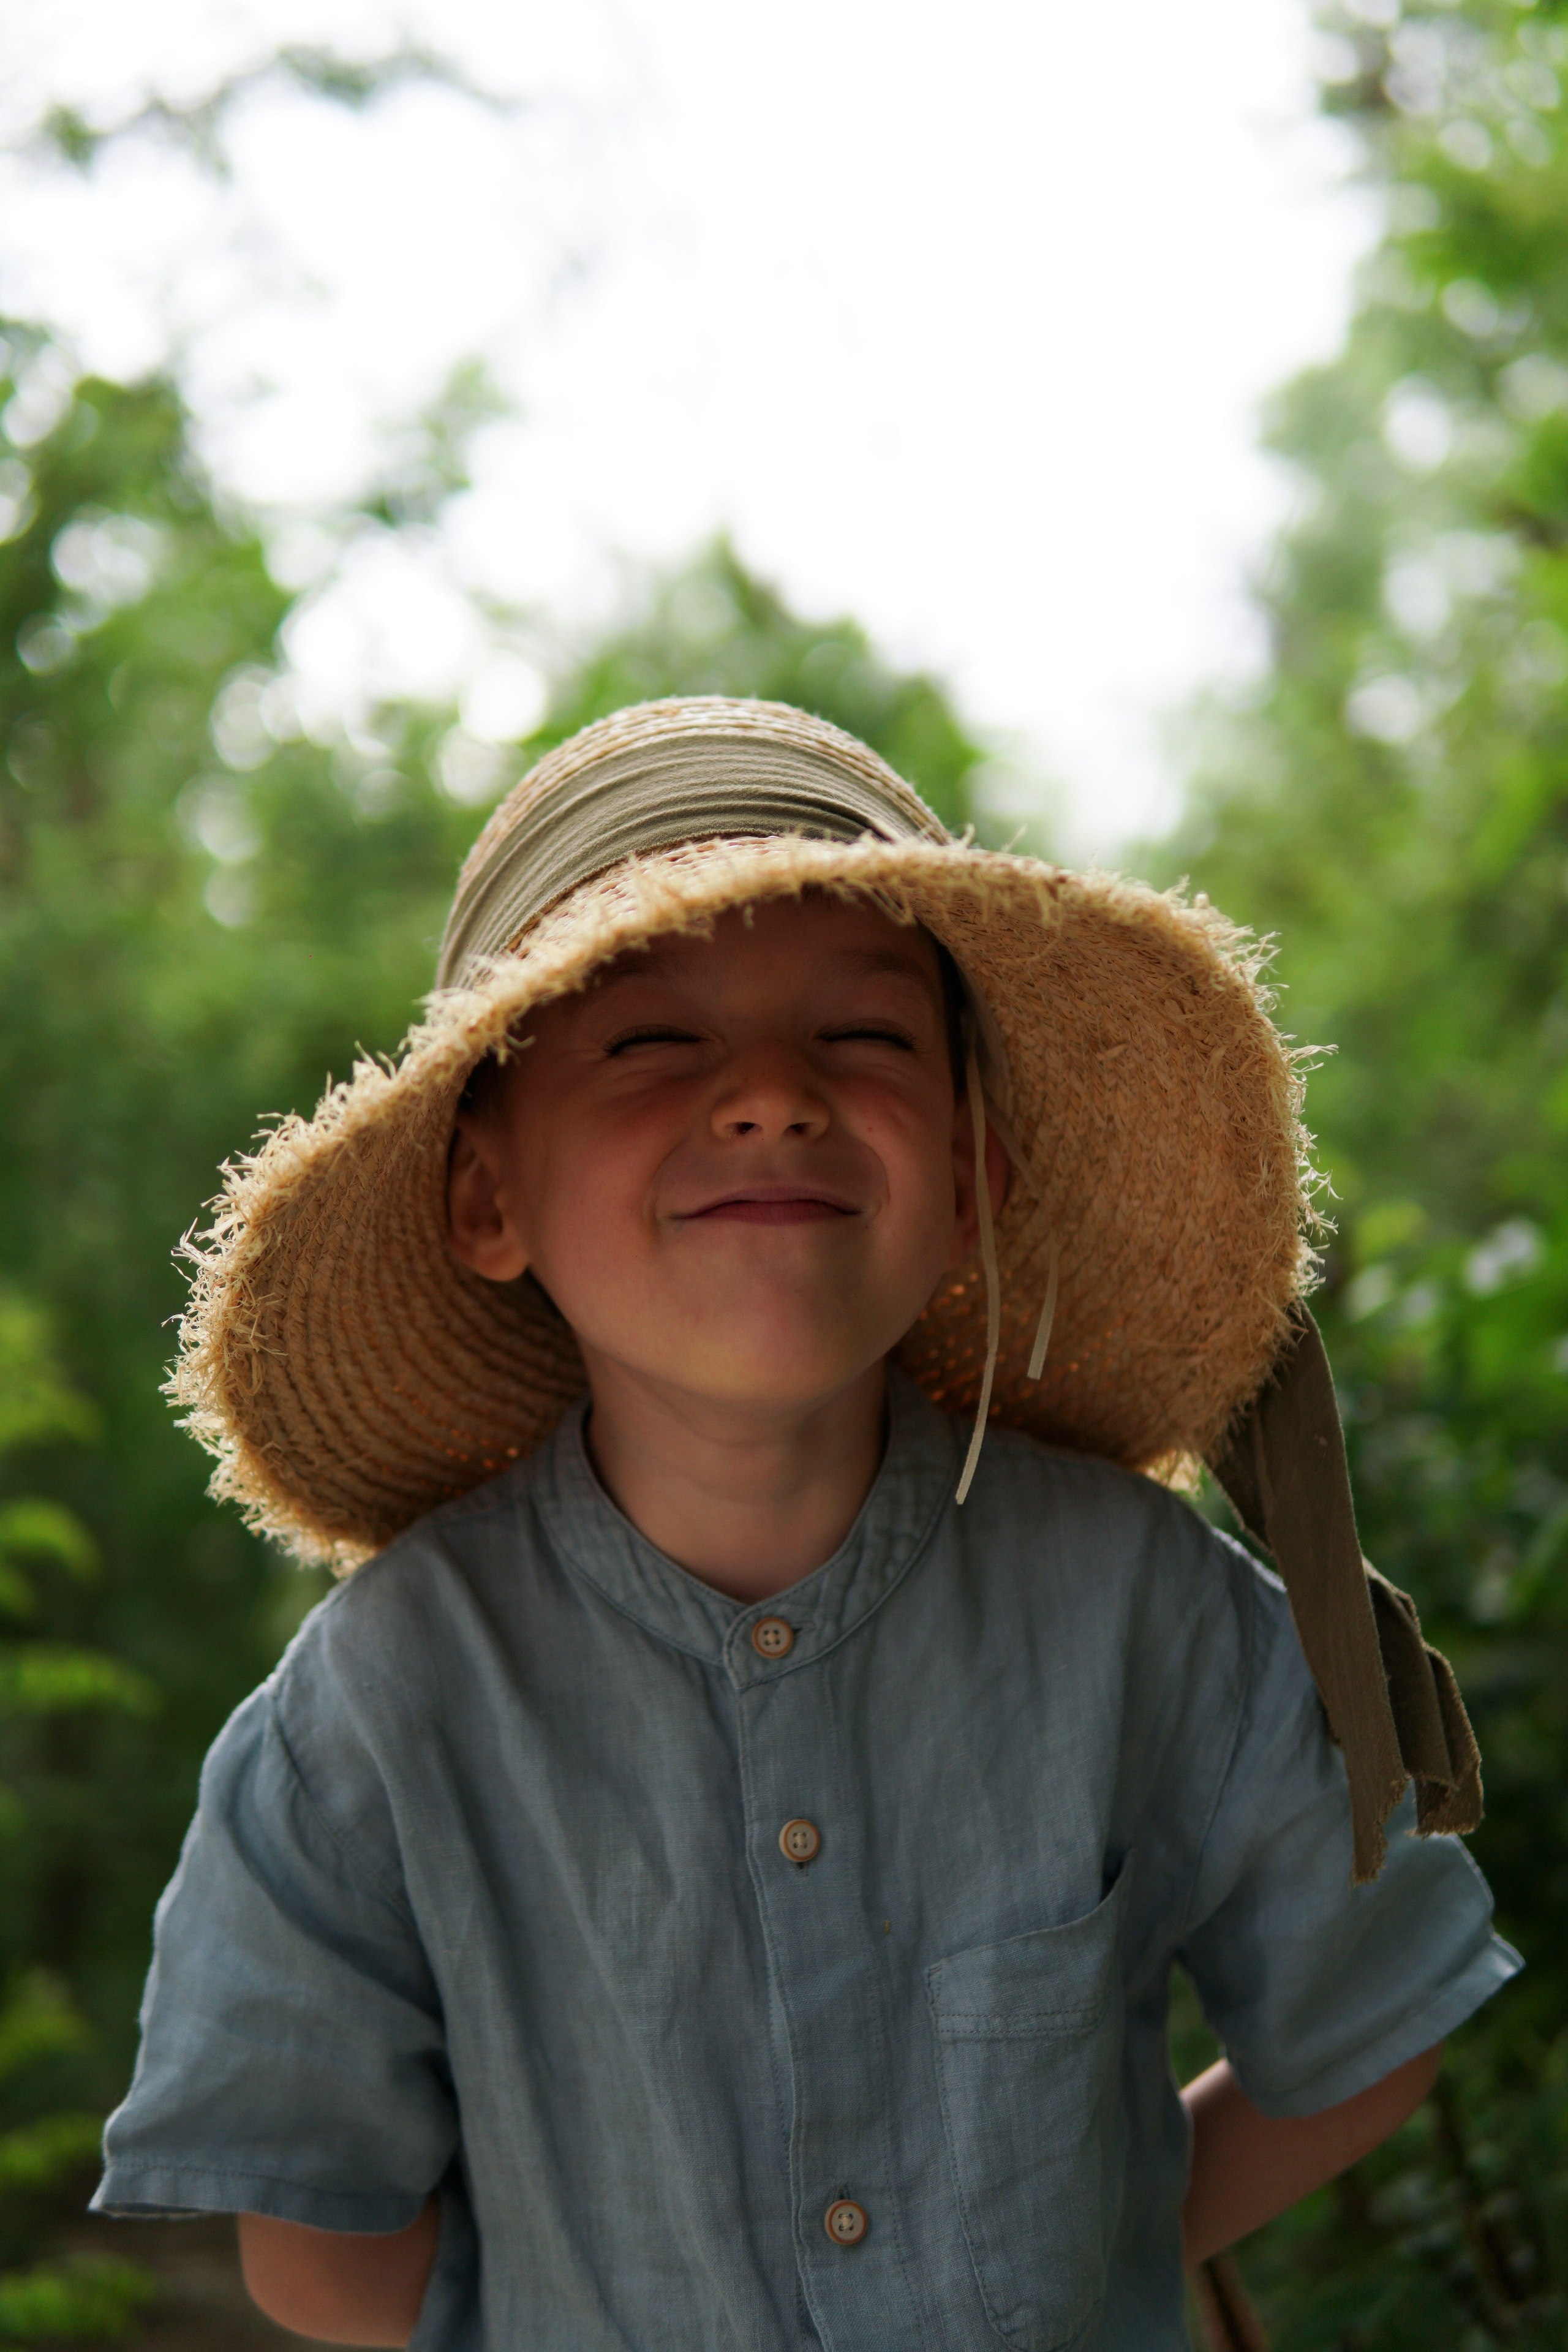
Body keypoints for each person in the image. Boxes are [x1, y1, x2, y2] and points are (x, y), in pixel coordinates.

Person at [93, 699, 1518, 2350]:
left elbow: (1372, 2024)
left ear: (974, 1176)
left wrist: (1096, 2233)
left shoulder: (1139, 1603)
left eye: (864, 1038)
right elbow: (316, 2251)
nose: (771, 1096)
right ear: (488, 1195)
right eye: (647, 1040)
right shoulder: (383, 1705)